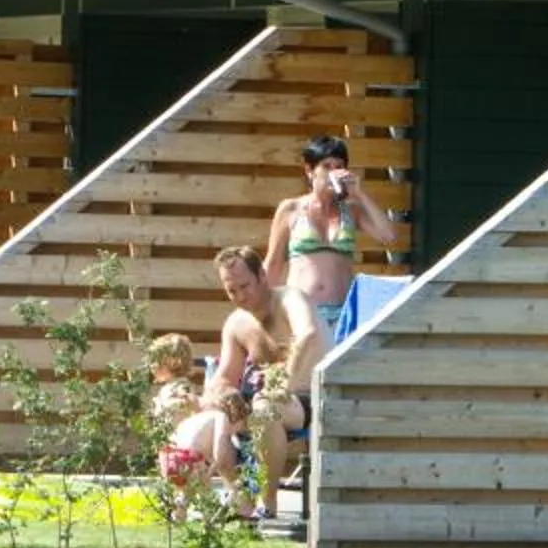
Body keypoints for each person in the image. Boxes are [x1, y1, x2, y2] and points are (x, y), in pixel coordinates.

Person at [262, 133, 401, 410]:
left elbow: (389, 235)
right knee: (297, 387)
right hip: (304, 313)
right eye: (326, 165)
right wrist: (266, 316)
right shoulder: (291, 209)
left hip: (343, 314)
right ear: (309, 170)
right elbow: (273, 265)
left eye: (339, 165)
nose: (332, 172)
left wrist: (359, 194)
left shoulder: (351, 210)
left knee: (337, 390)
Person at [205, 244, 303, 494]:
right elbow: (224, 376)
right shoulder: (236, 323)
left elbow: (307, 344)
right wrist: (224, 392)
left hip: (295, 399)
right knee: (206, 422)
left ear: (261, 276)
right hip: (252, 403)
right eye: (231, 290)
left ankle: (264, 502)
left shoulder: (288, 304)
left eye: (244, 286)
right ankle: (240, 501)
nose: (239, 296)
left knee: (263, 411)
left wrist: (280, 380)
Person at [148, 331, 248, 516]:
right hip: (181, 448)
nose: (151, 366)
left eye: (155, 361)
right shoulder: (169, 387)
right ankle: (215, 515)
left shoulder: (180, 387)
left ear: (171, 361)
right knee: (197, 490)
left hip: (187, 448)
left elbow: (188, 403)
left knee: (189, 489)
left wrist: (174, 404)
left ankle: (215, 513)